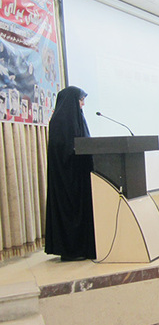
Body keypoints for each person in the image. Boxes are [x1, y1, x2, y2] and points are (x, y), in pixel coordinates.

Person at [45, 86, 96, 261]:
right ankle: (70, 250)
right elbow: (63, 150)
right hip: (66, 179)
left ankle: (83, 247)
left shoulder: (77, 118)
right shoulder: (59, 122)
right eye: (81, 100)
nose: (83, 104)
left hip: (79, 176)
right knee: (69, 211)